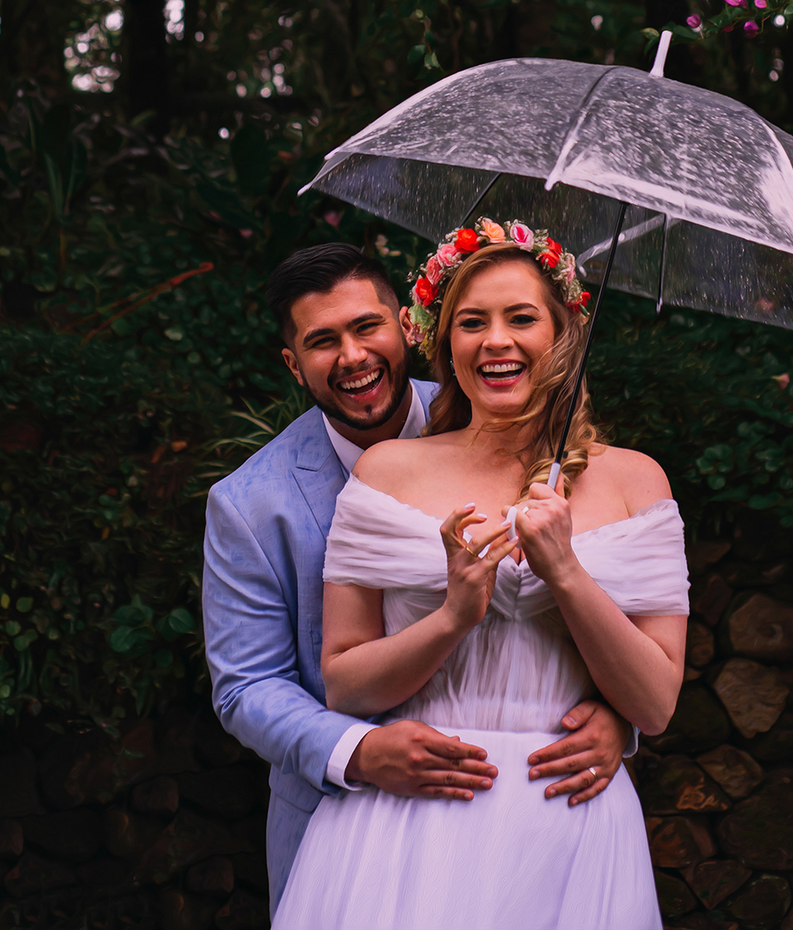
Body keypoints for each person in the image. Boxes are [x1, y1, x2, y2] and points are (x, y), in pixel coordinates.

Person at [270, 220, 689, 930]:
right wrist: (454, 615)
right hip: (408, 830)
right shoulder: (387, 474)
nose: (496, 340)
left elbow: (653, 706)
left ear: (564, 334)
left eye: (521, 317)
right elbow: (343, 683)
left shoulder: (637, 482)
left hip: (571, 827)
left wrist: (565, 573)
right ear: (440, 341)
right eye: (472, 323)